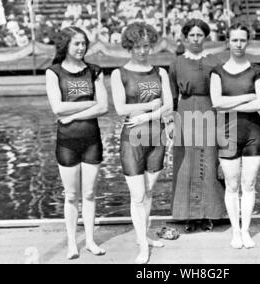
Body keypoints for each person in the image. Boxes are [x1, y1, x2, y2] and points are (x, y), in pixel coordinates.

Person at [111, 22, 173, 264]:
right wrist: (151, 105)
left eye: (147, 46)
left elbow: (168, 105)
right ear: (129, 46)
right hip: (132, 140)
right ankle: (143, 247)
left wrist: (147, 115)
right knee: (137, 196)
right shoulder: (119, 74)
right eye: (138, 46)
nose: (143, 51)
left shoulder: (161, 72)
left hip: (156, 137)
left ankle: (143, 235)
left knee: (148, 192)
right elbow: (120, 108)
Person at [45, 26, 109, 259]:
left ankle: (90, 240)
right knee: (71, 195)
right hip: (67, 142)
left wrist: (72, 115)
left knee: (90, 193)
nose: (81, 47)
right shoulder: (53, 72)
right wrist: (88, 102)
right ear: (65, 46)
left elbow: (103, 107)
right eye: (76, 44)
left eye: (84, 43)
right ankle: (73, 242)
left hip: (91, 140)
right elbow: (57, 108)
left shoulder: (94, 71)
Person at [210, 23, 260, 249]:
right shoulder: (218, 72)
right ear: (228, 42)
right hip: (227, 133)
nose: (239, 44)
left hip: (253, 132)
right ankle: (235, 231)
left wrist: (231, 103)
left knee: (249, 184)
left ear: (248, 42)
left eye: (243, 40)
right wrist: (247, 98)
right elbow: (217, 104)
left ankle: (246, 231)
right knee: (232, 185)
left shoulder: (257, 70)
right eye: (234, 40)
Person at [169, 19, 227, 233]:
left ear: (205, 37)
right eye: (191, 35)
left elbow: (223, 90)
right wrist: (172, 122)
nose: (195, 39)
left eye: (199, 35)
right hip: (184, 111)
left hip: (209, 109)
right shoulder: (176, 63)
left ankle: (210, 214)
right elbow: (173, 95)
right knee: (186, 164)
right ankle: (187, 215)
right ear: (185, 37)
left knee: (208, 159)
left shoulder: (214, 61)